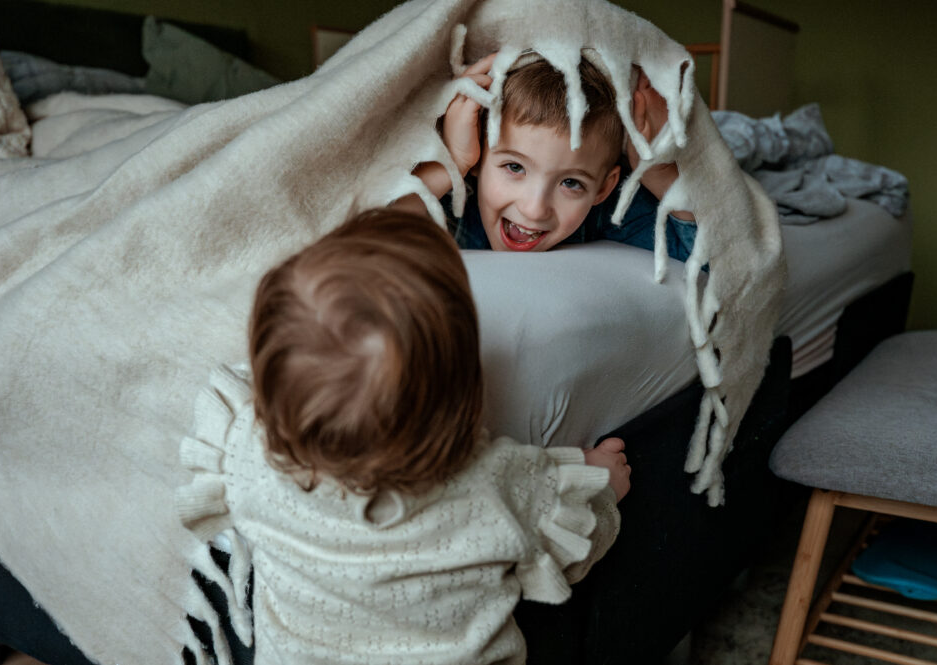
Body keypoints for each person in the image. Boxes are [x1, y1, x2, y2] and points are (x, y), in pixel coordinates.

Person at [187, 209, 630, 663]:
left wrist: (294, 375)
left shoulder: (247, 453)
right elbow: (576, 551)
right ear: (463, 395)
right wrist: (603, 487)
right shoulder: (496, 483)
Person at [393, 53, 696, 259]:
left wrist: (658, 170)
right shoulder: (454, 200)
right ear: (479, 157)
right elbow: (360, 231)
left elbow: (707, 259)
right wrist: (452, 162)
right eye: (514, 166)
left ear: (603, 187)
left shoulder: (609, 209)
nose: (535, 209)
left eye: (571, 183)